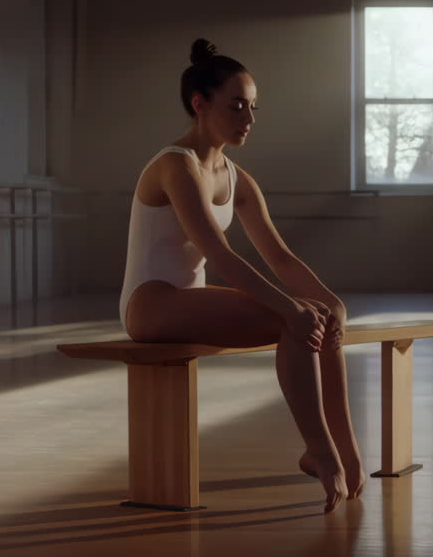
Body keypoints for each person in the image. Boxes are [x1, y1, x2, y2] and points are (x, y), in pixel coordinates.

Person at [119, 39, 363, 512]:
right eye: (236, 106)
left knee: (322, 316)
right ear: (199, 104)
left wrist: (330, 301)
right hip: (149, 305)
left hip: (188, 300)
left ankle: (346, 451)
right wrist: (291, 306)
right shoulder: (175, 165)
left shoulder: (237, 178)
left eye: (252, 107)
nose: (248, 118)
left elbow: (281, 257)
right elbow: (221, 254)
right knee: (292, 318)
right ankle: (318, 449)